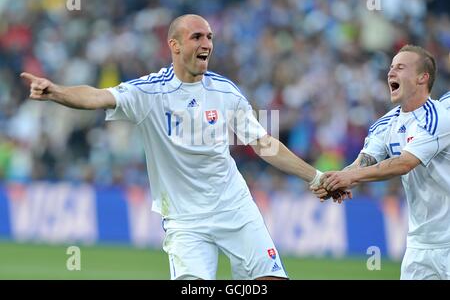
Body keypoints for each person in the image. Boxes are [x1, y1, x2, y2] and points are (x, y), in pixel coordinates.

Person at [21, 14, 346, 280]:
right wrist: (57, 92)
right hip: (185, 221)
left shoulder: (225, 92)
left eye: (209, 38)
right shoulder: (149, 93)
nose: (206, 44)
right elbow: (97, 96)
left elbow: (265, 144)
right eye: (197, 37)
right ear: (174, 45)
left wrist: (315, 177)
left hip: (234, 208)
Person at [315, 45, 450, 280]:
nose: (391, 73)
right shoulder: (385, 124)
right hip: (420, 244)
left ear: (422, 77)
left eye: (400, 67)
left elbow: (405, 163)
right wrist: (337, 180)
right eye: (390, 67)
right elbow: (361, 164)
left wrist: (350, 177)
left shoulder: (438, 117)